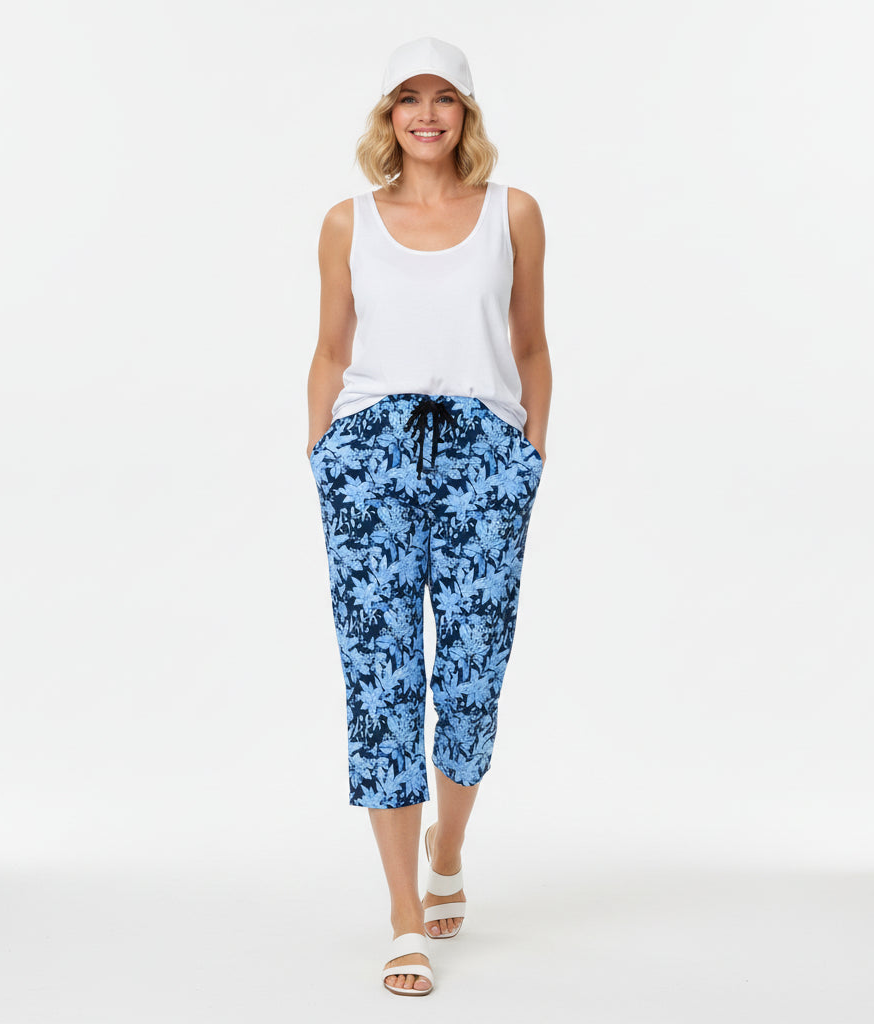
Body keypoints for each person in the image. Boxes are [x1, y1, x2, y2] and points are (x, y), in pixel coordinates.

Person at [306, 36, 552, 997]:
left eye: (443, 97)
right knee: (382, 681)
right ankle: (405, 912)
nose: (426, 114)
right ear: (387, 115)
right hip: (370, 456)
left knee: (473, 673)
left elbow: (531, 346)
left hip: (484, 456)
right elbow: (332, 349)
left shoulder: (513, 213)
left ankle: (447, 845)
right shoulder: (347, 222)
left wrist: (528, 458)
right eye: (407, 98)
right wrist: (324, 452)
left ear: (467, 113)